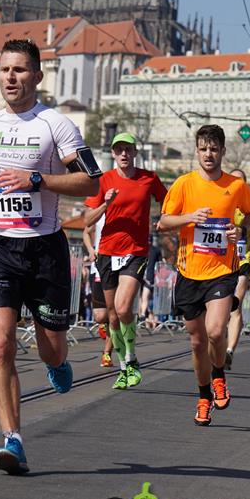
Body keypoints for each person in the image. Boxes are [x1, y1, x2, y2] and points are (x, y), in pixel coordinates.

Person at [0, 38, 100, 474]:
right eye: (5, 70)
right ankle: (13, 439)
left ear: (37, 76)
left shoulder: (56, 125)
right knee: (1, 341)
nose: (10, 77)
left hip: (44, 249)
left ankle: (58, 362)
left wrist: (37, 179)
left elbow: (91, 182)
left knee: (50, 350)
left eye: (19, 70)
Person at [159, 125, 250, 426]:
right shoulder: (184, 184)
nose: (208, 154)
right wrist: (189, 217)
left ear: (223, 152)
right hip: (189, 272)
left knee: (216, 332)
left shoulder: (236, 186)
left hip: (222, 271)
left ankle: (218, 375)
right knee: (197, 342)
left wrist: (239, 229)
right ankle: (204, 397)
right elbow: (163, 222)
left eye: (214, 149)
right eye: (203, 149)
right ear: (196, 151)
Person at [84, 133, 167, 390]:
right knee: (111, 316)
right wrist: (105, 204)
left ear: (135, 152)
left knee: (122, 308)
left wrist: (164, 220)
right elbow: (87, 220)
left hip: (136, 251)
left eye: (128, 149)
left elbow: (168, 201)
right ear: (113, 153)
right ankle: (124, 367)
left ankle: (131, 357)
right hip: (107, 252)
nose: (123, 154)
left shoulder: (149, 178)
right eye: (119, 149)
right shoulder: (104, 180)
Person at [224, 169, 250, 369]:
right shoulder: (222, 201)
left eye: (241, 181)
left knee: (235, 306)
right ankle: (218, 342)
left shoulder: (249, 207)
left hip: (241, 261)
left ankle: (230, 351)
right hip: (220, 263)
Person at [82, 220, 113, 367]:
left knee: (114, 314)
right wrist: (91, 250)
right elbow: (86, 232)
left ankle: (107, 353)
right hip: (99, 267)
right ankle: (103, 324)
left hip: (119, 268)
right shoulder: (100, 214)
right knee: (100, 316)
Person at [139, 235, 162, 330]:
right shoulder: (155, 250)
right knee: (144, 298)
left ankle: (142, 315)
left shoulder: (142, 248)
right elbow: (160, 263)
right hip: (148, 277)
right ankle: (143, 316)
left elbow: (160, 264)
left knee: (142, 297)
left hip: (142, 276)